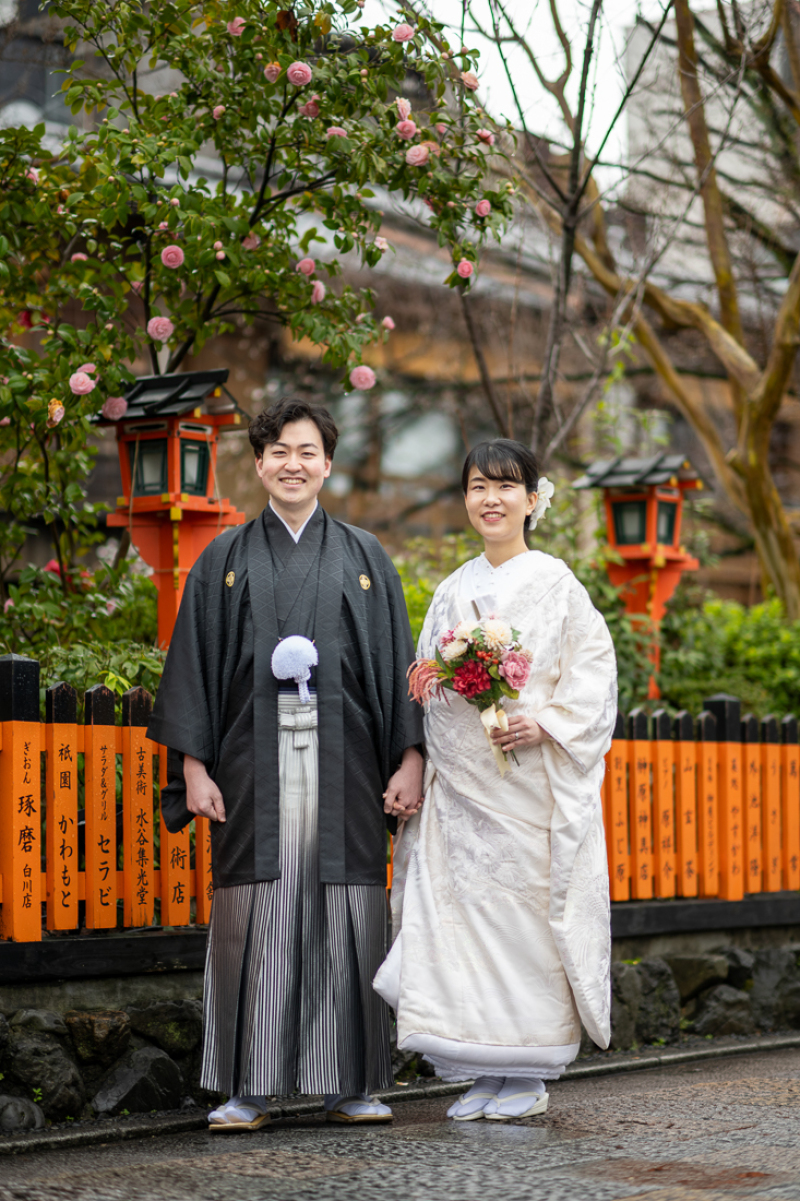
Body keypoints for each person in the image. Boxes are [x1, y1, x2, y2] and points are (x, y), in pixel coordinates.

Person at [148, 398, 424, 1131]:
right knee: (255, 912)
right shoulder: (225, 559)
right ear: (260, 461)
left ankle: (354, 1080)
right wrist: (194, 768)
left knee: (348, 911)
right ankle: (249, 1084)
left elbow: (399, 662)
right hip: (249, 764)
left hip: (350, 763)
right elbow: (194, 668)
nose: (292, 463)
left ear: (327, 462)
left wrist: (411, 756)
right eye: (278, 450)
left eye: (306, 451)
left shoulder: (364, 556)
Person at [374, 438, 617, 1121]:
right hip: (463, 793)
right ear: (465, 498)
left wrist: (544, 723)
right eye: (479, 485)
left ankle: (528, 1070)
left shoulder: (558, 583)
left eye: (507, 486)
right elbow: (425, 678)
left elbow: (595, 679)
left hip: (528, 790)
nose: (491, 498)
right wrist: (426, 738)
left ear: (533, 499)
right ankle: (481, 1065)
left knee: (523, 926)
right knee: (465, 927)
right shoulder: (452, 588)